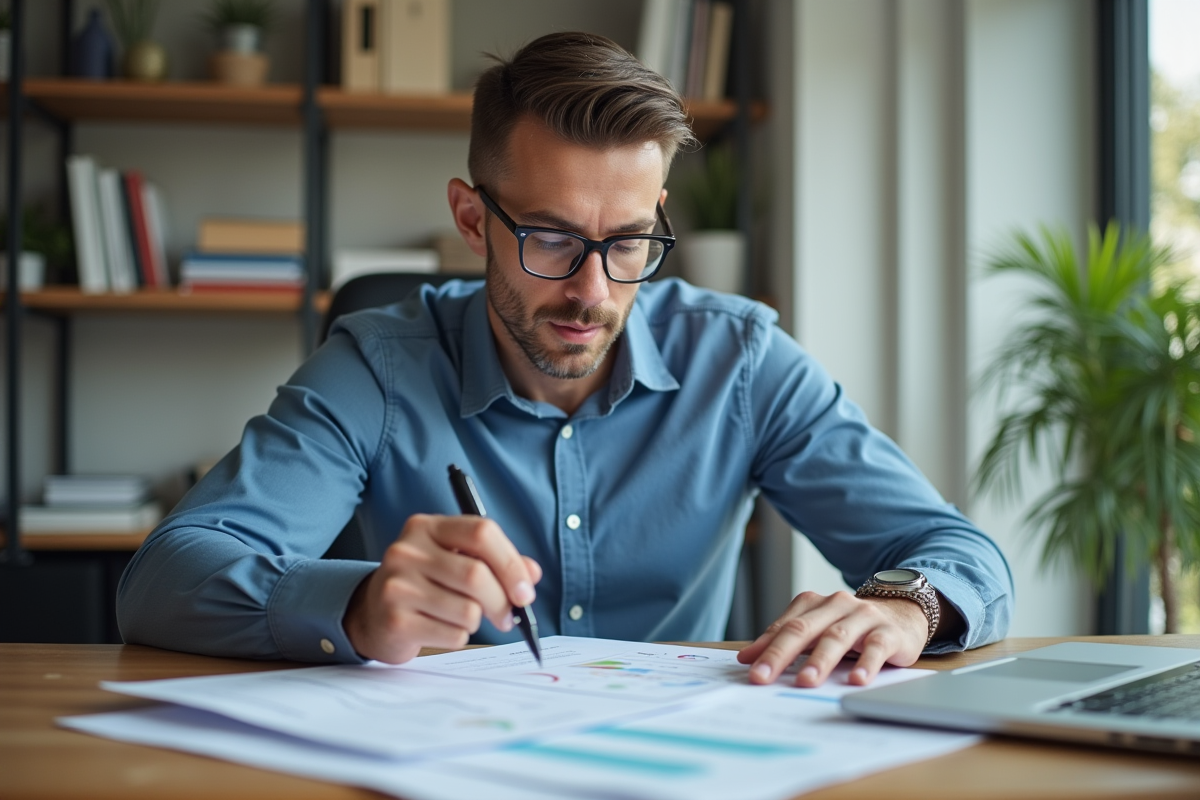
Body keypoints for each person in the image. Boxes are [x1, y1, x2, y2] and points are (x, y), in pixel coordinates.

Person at [117, 32, 1013, 688]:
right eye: (549, 239)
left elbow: (956, 551)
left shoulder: (740, 360)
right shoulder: (379, 369)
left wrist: (907, 606)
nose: (593, 290)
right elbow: (165, 577)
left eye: (628, 241)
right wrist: (355, 606)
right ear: (473, 221)